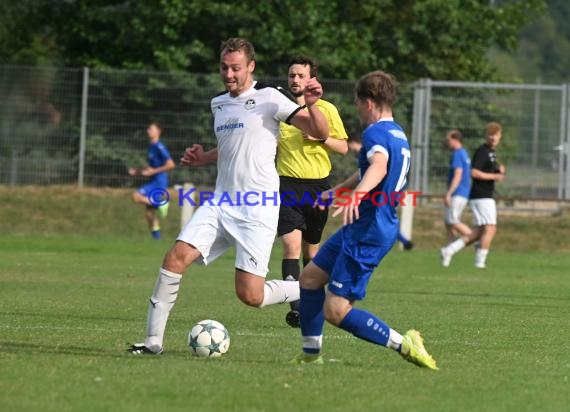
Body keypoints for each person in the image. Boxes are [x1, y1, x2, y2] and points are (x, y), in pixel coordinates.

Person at [128, 38, 329, 355]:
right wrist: (202, 157)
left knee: (251, 295)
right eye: (224, 67)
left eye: (235, 68)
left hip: (257, 210)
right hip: (221, 204)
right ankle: (152, 343)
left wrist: (312, 104)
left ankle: (314, 288)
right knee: (174, 258)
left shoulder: (271, 99)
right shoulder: (218, 104)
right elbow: (233, 148)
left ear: (251, 66)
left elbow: (320, 132)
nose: (229, 74)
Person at [290, 70, 437, 370]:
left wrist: (356, 196)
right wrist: (339, 190)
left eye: (357, 104)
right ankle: (311, 355)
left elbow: (379, 167)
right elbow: (370, 166)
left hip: (369, 232)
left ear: (368, 102)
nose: (357, 110)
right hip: (363, 227)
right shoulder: (396, 132)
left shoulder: (373, 133)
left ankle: (403, 342)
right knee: (310, 279)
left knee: (336, 309)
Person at [277, 55, 348, 328]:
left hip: (318, 187)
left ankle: (312, 303)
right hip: (287, 185)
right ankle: (297, 309)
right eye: (292, 75)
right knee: (290, 247)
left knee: (312, 252)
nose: (295, 80)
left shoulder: (327, 109)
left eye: (301, 75)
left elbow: (342, 147)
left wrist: (321, 137)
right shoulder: (278, 109)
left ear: (312, 79)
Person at [440, 122, 505, 269]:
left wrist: (499, 171)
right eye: (490, 134)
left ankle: (449, 250)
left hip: (482, 195)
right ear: (486, 135)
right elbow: (474, 172)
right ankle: (480, 262)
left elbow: (490, 171)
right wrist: (495, 177)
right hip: (481, 195)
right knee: (490, 228)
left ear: (500, 136)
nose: (493, 138)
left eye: (496, 135)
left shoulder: (491, 152)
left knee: (479, 231)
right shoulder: (482, 151)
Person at [349, 136, 414, 251]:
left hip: (384, 190)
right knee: (384, 216)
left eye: (351, 144)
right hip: (395, 188)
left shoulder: (371, 150)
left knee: (380, 216)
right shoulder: (379, 150)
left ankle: (402, 240)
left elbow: (369, 172)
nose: (351, 148)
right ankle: (404, 241)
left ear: (355, 142)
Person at [128, 122, 175, 239]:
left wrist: (153, 172)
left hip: (159, 181)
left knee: (136, 196)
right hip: (153, 180)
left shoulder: (159, 147)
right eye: (148, 128)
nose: (148, 131)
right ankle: (157, 239)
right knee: (149, 214)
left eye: (151, 129)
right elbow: (151, 168)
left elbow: (170, 164)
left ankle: (161, 203)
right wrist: (138, 171)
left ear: (158, 132)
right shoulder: (151, 147)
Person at [443, 129, 472, 242]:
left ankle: (476, 238)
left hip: (458, 192)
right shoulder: (464, 153)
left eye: (448, 140)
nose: (447, 142)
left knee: (452, 220)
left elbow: (458, 175)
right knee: (448, 221)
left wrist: (449, 193)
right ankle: (450, 248)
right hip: (463, 192)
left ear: (455, 140)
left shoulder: (457, 154)